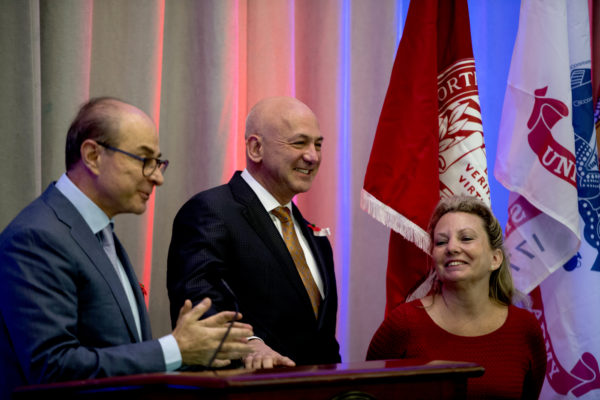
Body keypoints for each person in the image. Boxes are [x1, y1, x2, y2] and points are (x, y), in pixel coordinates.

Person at [0, 97, 253, 398]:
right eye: (144, 160)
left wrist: (194, 350)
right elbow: (52, 368)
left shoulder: (99, 230)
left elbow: (118, 354)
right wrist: (174, 349)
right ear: (92, 155)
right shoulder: (37, 237)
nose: (157, 177)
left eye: (158, 163)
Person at [167, 96, 341, 369]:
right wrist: (249, 343)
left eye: (318, 144)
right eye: (299, 143)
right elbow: (200, 301)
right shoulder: (210, 211)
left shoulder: (314, 237)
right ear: (256, 148)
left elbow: (322, 339)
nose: (313, 156)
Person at [367, 195, 546, 399]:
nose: (451, 248)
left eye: (466, 238)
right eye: (441, 241)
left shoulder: (525, 328)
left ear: (495, 259)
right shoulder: (403, 324)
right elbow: (366, 395)